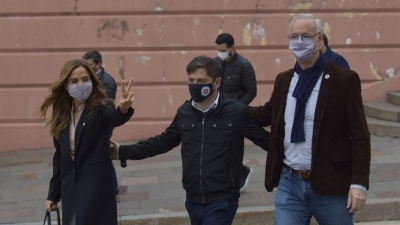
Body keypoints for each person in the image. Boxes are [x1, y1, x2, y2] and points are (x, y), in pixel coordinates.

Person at [110, 55, 270, 225]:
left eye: (201, 81)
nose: (195, 85)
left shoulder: (236, 111)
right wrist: (123, 152)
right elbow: (162, 142)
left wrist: (293, 162)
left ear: (216, 83)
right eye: (191, 80)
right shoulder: (185, 112)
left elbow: (265, 141)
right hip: (193, 198)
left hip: (222, 198)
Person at [249, 14, 371, 225]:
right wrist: (227, 105)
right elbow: (266, 114)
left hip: (330, 184)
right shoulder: (284, 80)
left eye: (306, 36)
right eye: (293, 36)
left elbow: (360, 136)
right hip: (290, 182)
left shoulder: (344, 79)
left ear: (319, 40)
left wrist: (359, 184)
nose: (299, 42)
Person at [39, 59, 134, 225]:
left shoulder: (100, 107)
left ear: (92, 81)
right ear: (66, 85)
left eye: (85, 79)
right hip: (71, 190)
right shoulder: (62, 114)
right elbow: (60, 157)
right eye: (74, 81)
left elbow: (114, 117)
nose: (81, 85)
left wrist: (123, 109)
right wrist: (53, 195)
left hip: (95, 187)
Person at [215, 33, 258, 192]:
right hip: (217, 112)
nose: (220, 53)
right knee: (218, 147)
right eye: (218, 49)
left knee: (230, 147)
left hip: (234, 114)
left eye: (223, 50)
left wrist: (237, 106)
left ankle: (239, 175)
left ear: (232, 47)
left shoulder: (244, 65)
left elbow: (251, 91)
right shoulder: (215, 63)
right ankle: (236, 173)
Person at [82, 50, 121, 202]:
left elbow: (104, 104)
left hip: (102, 125)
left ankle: (113, 190)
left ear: (98, 65)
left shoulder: (107, 81)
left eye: (90, 65)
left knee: (103, 155)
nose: (86, 68)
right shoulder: (88, 79)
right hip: (91, 124)